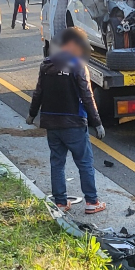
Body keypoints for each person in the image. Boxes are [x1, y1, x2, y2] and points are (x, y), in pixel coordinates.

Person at [27, 27, 107, 215]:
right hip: (74, 124)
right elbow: (87, 97)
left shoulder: (46, 64)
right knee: (84, 162)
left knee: (57, 162)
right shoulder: (78, 66)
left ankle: (61, 202)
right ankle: (91, 202)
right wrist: (97, 123)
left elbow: (39, 92)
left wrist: (32, 114)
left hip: (51, 123)